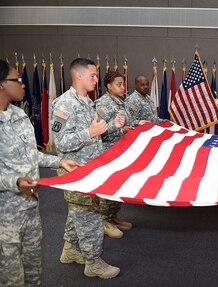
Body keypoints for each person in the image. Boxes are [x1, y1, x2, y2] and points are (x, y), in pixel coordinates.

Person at [0, 59, 80, 286]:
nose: (23, 84)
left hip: (31, 209)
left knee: (35, 273)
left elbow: (30, 155)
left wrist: (60, 162)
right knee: (11, 279)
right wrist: (15, 182)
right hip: (5, 217)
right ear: (1, 84)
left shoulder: (19, 115)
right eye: (16, 79)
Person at [51, 58, 125, 279]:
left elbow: (96, 134)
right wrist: (90, 133)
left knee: (78, 213)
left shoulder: (87, 102)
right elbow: (60, 143)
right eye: (92, 75)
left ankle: (70, 250)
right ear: (79, 76)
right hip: (76, 172)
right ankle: (93, 262)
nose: (96, 79)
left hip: (91, 170)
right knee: (90, 216)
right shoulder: (64, 105)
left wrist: (111, 126)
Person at [95, 70, 133, 239]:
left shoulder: (121, 102)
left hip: (121, 151)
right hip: (108, 152)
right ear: (109, 87)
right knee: (108, 187)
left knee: (118, 186)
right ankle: (104, 220)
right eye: (119, 84)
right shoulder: (102, 104)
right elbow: (99, 132)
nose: (123, 87)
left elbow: (125, 123)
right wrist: (117, 127)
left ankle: (113, 216)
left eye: (123, 84)